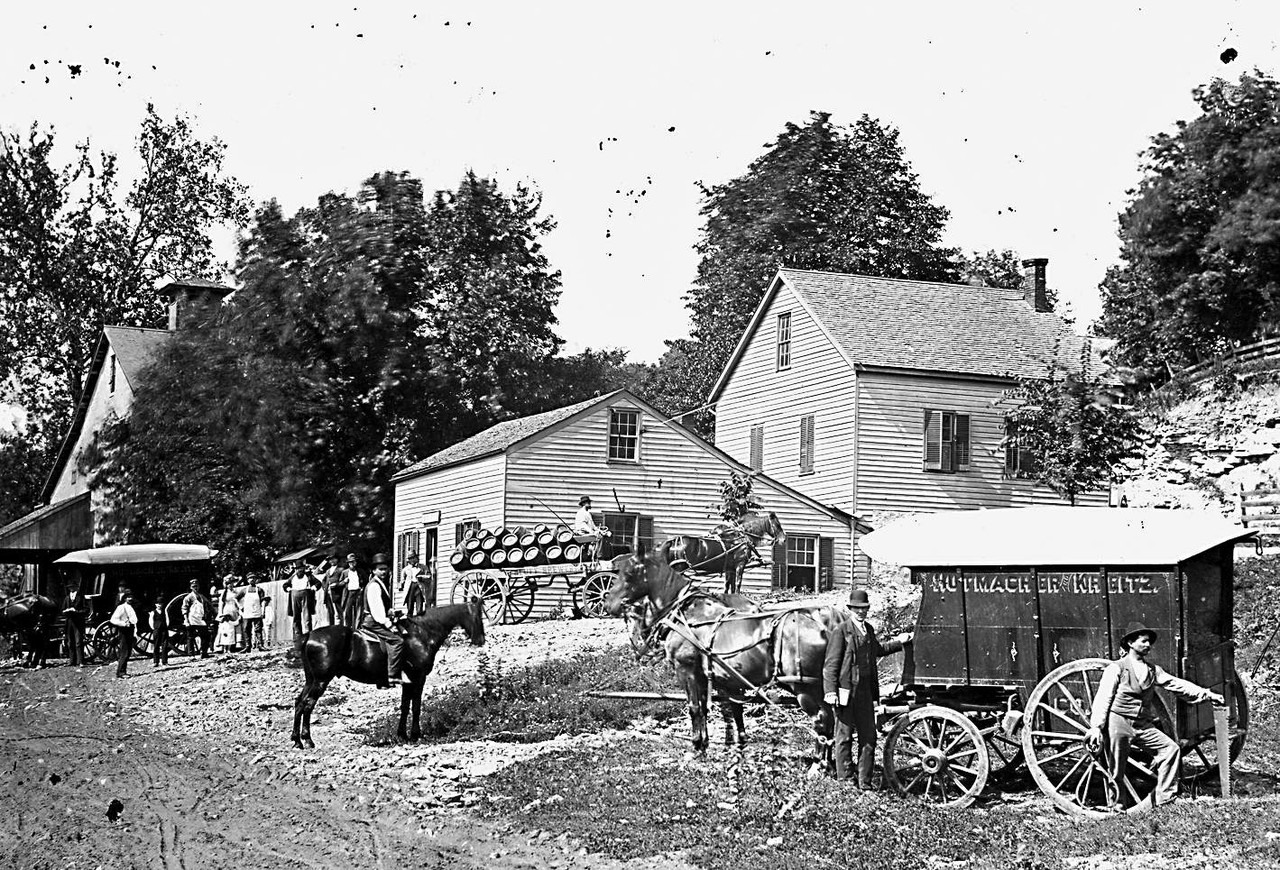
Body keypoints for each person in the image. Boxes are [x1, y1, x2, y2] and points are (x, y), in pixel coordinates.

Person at [1085, 622, 1225, 808]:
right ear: (1130, 643)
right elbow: (1103, 698)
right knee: (1116, 768)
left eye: (1149, 642)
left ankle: (1164, 799)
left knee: (1171, 750)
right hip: (1118, 722)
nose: (1148, 645)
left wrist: (1207, 694)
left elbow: (1177, 685)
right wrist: (1096, 727)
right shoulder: (1116, 668)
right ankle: (1116, 807)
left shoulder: (1153, 670)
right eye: (1143, 641)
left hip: (1142, 725)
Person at [822, 589, 913, 786]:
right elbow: (830, 665)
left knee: (869, 736)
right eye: (857, 609)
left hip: (865, 691)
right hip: (845, 692)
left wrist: (900, 642)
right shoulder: (841, 631)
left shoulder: (869, 630)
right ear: (850, 609)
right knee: (844, 736)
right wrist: (830, 691)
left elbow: (879, 650)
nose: (861, 612)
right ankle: (845, 780)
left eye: (864, 609)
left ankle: (864, 782)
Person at [360, 552, 408, 687]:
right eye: (380, 569)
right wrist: (388, 623)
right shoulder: (374, 585)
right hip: (373, 621)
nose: (383, 572)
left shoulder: (380, 583)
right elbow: (377, 612)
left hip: (376, 618)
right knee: (397, 640)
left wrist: (392, 612)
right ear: (374, 570)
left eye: (385, 569)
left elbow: (381, 606)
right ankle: (392, 676)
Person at [284, 560, 316, 653]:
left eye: (301, 568)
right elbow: (285, 585)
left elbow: (318, 583)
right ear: (296, 570)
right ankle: (298, 640)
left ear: (304, 569)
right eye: (298, 569)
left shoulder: (308, 576)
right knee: (296, 619)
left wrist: (314, 587)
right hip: (295, 596)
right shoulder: (292, 578)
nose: (300, 570)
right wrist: (288, 588)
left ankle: (308, 639)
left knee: (307, 619)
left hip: (305, 595)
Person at [60, 572, 90, 667]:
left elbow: (86, 610)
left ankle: (81, 661)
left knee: (78, 642)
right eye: (70, 588)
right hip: (69, 622)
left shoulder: (81, 598)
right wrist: (66, 611)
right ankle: (72, 661)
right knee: (70, 642)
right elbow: (62, 610)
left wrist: (76, 611)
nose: (71, 590)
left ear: (76, 588)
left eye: (73, 588)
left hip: (78, 621)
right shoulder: (66, 598)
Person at [110, 589, 139, 679]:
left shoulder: (131, 607)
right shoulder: (121, 607)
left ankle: (123, 671)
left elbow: (134, 621)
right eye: (128, 597)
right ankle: (120, 673)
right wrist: (123, 623)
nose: (130, 599)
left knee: (128, 652)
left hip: (130, 630)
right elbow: (113, 619)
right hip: (124, 631)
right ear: (125, 598)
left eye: (131, 597)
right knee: (124, 652)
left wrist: (135, 632)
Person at [571, 495, 610, 560]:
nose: (589, 504)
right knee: (599, 537)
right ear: (583, 503)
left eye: (589, 502)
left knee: (604, 535)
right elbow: (583, 525)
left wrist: (601, 531)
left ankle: (599, 554)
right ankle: (599, 556)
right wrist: (592, 532)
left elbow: (593, 526)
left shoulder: (588, 513)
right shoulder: (581, 512)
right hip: (582, 534)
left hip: (587, 533)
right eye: (587, 502)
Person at [182, 579, 213, 658]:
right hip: (192, 619)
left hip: (201, 619)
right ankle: (191, 655)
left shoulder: (201, 597)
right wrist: (186, 620)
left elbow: (209, 605)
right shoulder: (188, 597)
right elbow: (184, 609)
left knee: (205, 636)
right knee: (190, 637)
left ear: (198, 587)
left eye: (196, 586)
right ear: (190, 587)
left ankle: (204, 653)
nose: (195, 588)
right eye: (193, 587)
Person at [239, 576, 266, 651]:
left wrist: (263, 611)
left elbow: (263, 600)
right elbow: (236, 598)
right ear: (247, 580)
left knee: (258, 629)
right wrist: (240, 607)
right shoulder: (244, 590)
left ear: (256, 580)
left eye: (254, 578)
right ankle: (248, 646)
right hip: (247, 612)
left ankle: (260, 645)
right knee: (247, 629)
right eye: (250, 578)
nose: (252, 580)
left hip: (257, 611)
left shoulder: (259, 590)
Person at [215, 585, 241, 653]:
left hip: (234, 609)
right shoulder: (224, 593)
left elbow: (238, 602)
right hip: (226, 610)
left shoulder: (235, 592)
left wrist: (239, 611)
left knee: (235, 627)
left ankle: (236, 645)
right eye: (228, 584)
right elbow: (221, 603)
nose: (230, 585)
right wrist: (220, 613)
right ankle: (222, 647)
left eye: (231, 583)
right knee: (225, 629)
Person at [341, 553, 364, 627]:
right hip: (349, 593)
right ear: (348, 563)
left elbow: (366, 581)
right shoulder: (345, 572)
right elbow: (339, 583)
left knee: (358, 611)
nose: (352, 564)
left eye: (353, 562)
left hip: (358, 593)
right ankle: (348, 628)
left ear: (356, 562)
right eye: (350, 562)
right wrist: (344, 581)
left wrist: (362, 588)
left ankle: (357, 628)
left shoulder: (360, 571)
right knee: (348, 611)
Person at [150, 598, 169, 667]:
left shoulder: (165, 611)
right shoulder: (153, 612)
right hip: (157, 630)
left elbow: (167, 620)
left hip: (164, 629)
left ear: (162, 604)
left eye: (160, 604)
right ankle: (156, 661)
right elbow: (151, 621)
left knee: (165, 645)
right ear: (155, 604)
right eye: (158, 604)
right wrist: (154, 628)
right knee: (156, 645)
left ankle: (164, 661)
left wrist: (166, 626)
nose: (159, 605)